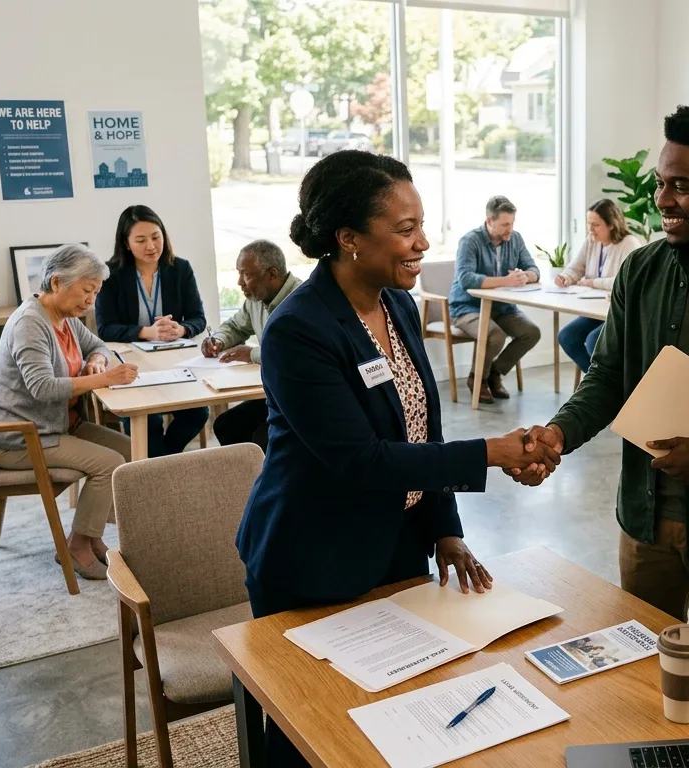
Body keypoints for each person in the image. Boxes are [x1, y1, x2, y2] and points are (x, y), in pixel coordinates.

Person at [236, 151, 558, 767]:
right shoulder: (298, 330)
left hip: (396, 549)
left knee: (399, 721)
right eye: (405, 230)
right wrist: (492, 452)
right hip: (310, 558)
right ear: (348, 238)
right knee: (313, 730)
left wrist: (444, 529)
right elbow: (364, 460)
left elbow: (421, 429)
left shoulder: (398, 305)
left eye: (422, 225)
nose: (423, 242)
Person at [513, 99, 689, 646]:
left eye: (681, 186)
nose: (662, 201)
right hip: (643, 514)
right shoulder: (642, 267)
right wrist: (559, 434)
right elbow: (608, 374)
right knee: (636, 662)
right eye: (662, 183)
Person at [0, 244, 139, 580]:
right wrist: (103, 377)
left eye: (95, 293)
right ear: (57, 283)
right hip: (20, 438)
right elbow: (42, 387)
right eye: (86, 290)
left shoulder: (64, 319)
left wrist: (96, 361)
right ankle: (77, 545)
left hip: (56, 427)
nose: (90, 301)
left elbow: (96, 345)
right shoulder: (30, 323)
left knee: (130, 452)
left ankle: (91, 534)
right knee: (109, 464)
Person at [96, 205, 209, 457]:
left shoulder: (180, 269)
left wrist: (181, 328)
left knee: (198, 413)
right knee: (149, 419)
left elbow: (198, 319)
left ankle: (162, 464)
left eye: (156, 237)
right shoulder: (111, 274)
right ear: (126, 243)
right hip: (132, 365)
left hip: (172, 364)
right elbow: (105, 327)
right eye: (141, 240)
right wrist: (146, 332)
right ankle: (161, 476)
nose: (151, 246)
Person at [203, 239, 302, 450]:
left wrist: (251, 354)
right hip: (274, 393)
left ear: (272, 274)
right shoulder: (256, 299)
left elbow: (294, 353)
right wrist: (218, 340)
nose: (239, 282)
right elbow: (236, 327)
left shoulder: (302, 301)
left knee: (259, 437)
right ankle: (248, 482)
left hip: (301, 399)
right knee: (225, 425)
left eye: (246, 275)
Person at [447, 195, 542, 403]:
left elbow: (534, 268)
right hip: (467, 308)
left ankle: (495, 374)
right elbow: (466, 279)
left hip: (503, 308)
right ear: (489, 221)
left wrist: (526, 276)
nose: (510, 228)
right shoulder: (470, 241)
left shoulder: (515, 239)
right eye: (505, 224)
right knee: (495, 335)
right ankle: (477, 379)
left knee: (531, 332)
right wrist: (506, 280)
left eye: (512, 223)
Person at [556, 199, 645, 372]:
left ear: (611, 224)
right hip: (596, 310)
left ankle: (606, 387)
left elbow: (624, 281)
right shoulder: (592, 240)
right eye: (589, 223)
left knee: (593, 342)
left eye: (595, 224)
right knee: (567, 336)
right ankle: (599, 385)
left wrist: (592, 283)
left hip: (619, 312)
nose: (590, 229)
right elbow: (577, 266)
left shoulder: (629, 244)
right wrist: (566, 277)